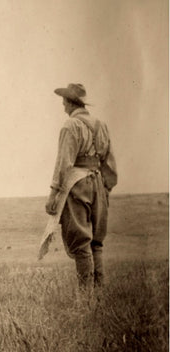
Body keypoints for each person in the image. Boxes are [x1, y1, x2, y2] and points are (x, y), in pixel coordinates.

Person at [45, 83, 117, 291]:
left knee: (81, 240)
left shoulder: (70, 126)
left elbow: (64, 163)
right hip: (98, 184)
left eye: (64, 102)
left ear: (69, 102)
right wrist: (106, 190)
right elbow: (110, 165)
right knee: (96, 242)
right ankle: (99, 295)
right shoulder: (101, 125)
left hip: (77, 186)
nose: (63, 106)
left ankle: (85, 299)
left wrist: (53, 195)